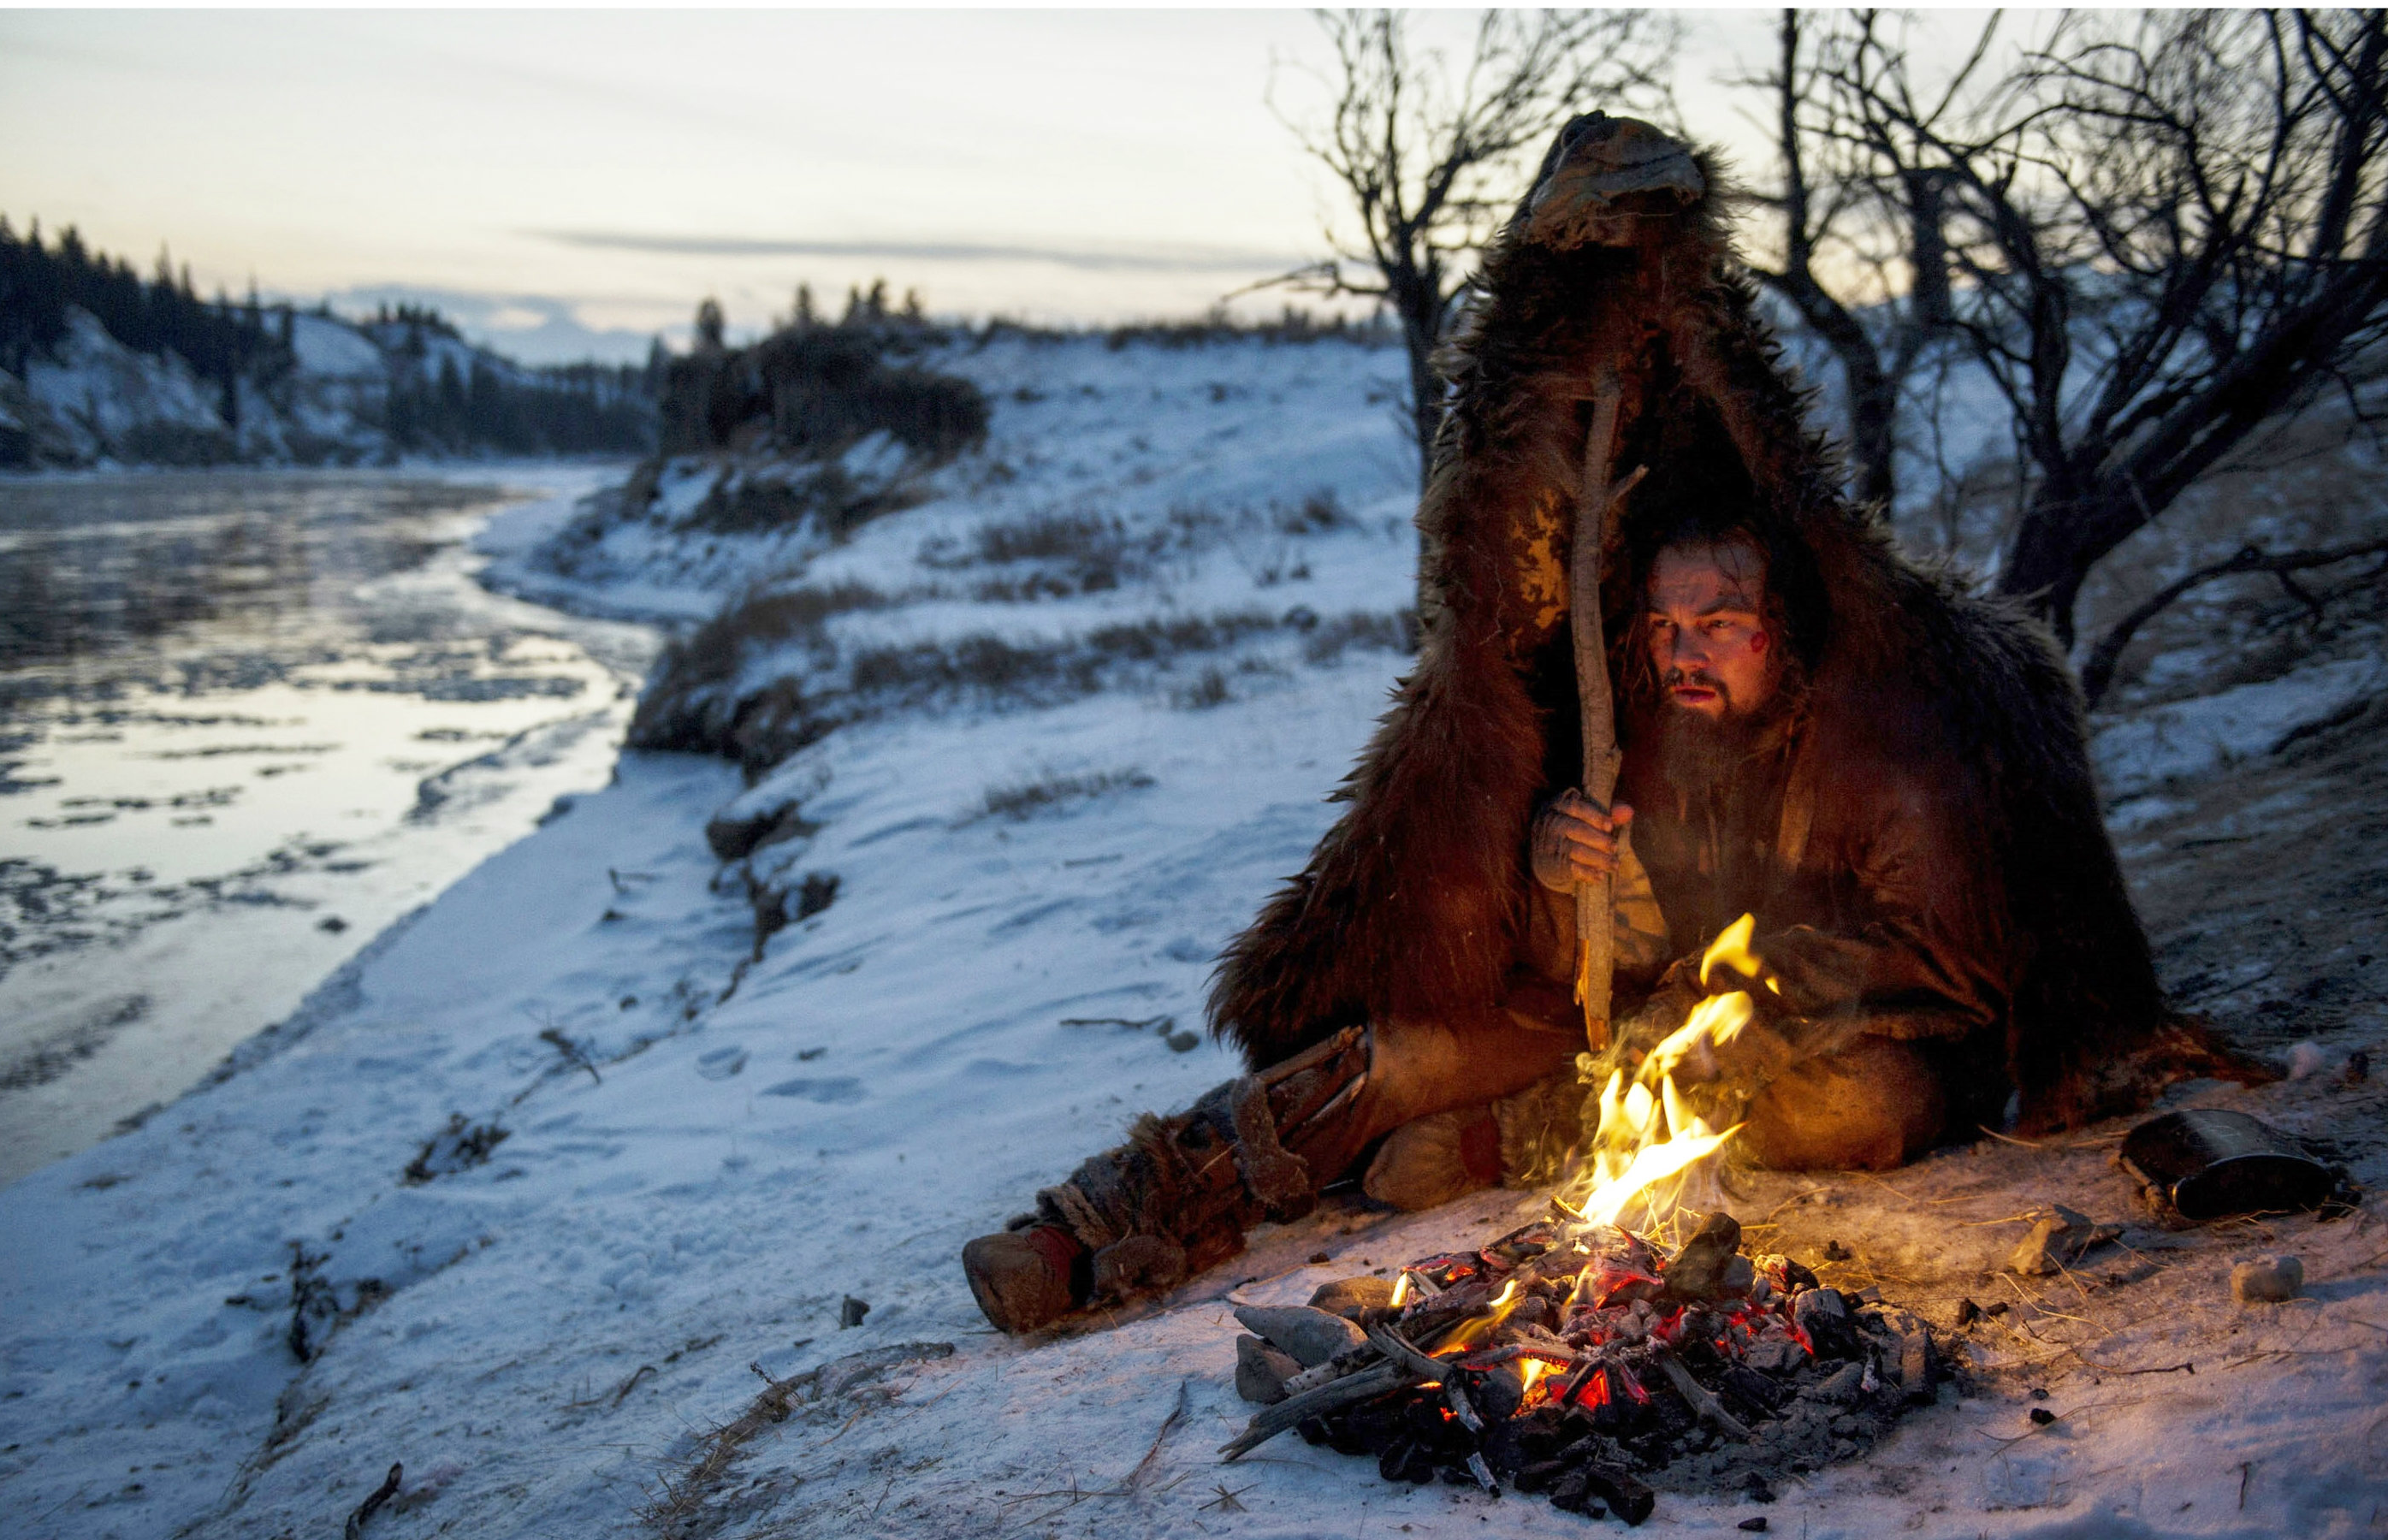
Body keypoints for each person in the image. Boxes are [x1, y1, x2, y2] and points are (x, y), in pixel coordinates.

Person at [961, 113, 2263, 1337]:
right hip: (1608, 1033)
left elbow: (1950, 957)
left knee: (1864, 1105)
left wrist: (1741, 997)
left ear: (1784, 624)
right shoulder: (1632, 719)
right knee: (1391, 1061)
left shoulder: (1883, 737)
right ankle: (1106, 1228)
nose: (1684, 649)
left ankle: (1520, 1134)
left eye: (1720, 621)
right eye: (1664, 625)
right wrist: (1546, 863)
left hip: (1809, 1053)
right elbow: (1545, 946)